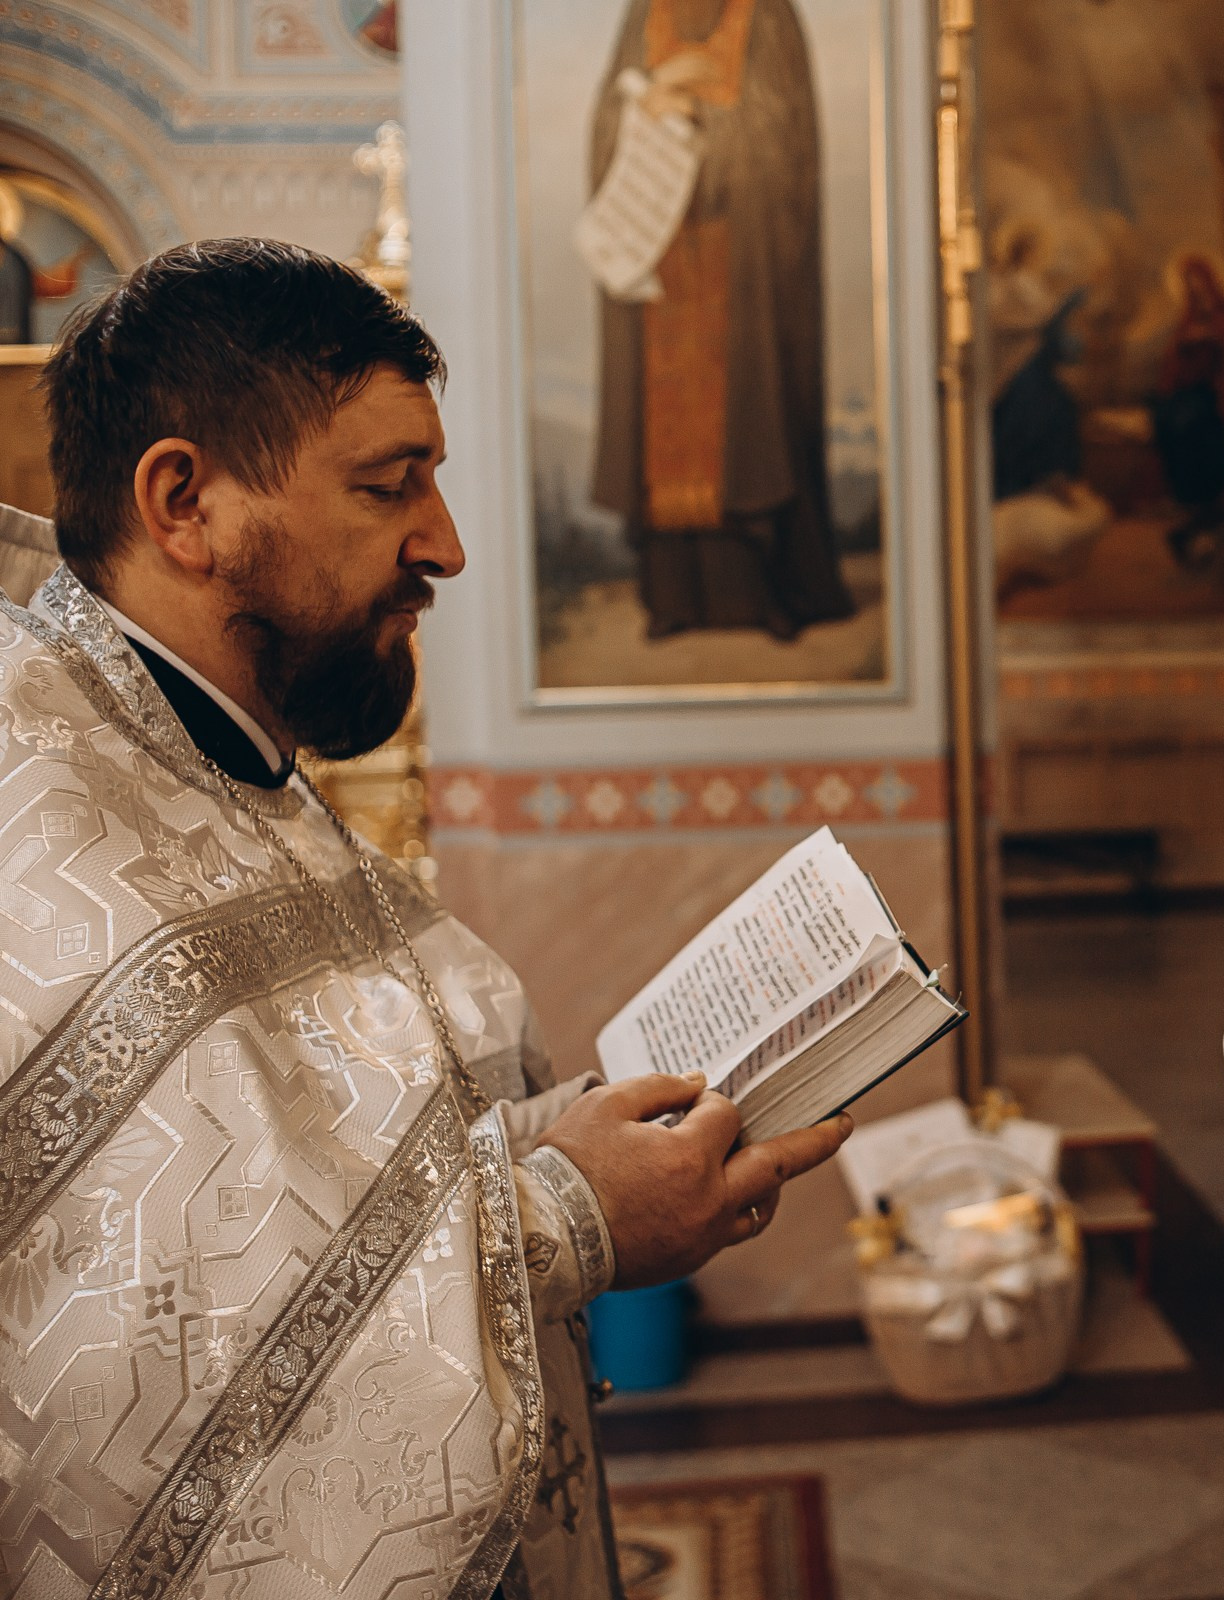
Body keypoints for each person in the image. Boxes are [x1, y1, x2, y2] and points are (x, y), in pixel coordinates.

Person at [1, 239, 850, 1600]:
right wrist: (566, 1217)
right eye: (390, 485)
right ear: (186, 503)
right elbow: (125, 1390)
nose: (444, 543)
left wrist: (562, 1144)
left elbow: (312, 1167)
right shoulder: (34, 814)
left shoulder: (207, 755)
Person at [591, 0, 854, 640]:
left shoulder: (765, 16)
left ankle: (769, 589)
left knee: (750, 416)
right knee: (664, 429)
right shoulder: (644, 16)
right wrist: (645, 109)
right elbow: (607, 123)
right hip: (662, 269)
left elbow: (780, 140)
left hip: (740, 265)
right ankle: (676, 595)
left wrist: (697, 118)